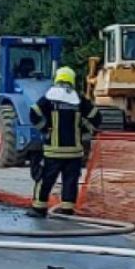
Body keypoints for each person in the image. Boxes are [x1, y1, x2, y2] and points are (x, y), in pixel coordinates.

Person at [27, 66, 101, 217]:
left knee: (45, 179)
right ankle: (67, 208)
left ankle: (39, 208)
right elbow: (96, 117)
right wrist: (84, 130)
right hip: (74, 151)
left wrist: (44, 128)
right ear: (72, 81)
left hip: (53, 150)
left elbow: (33, 113)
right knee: (70, 180)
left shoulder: (49, 97)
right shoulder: (78, 99)